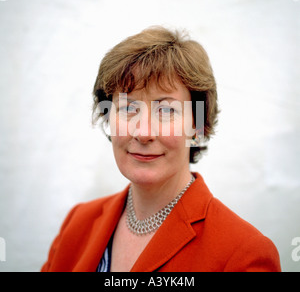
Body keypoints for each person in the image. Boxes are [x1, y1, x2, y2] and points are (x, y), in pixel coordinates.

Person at [41, 26, 281, 272]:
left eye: (166, 111)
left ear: (197, 126)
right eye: (127, 108)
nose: (143, 132)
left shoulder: (244, 254)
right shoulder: (77, 223)